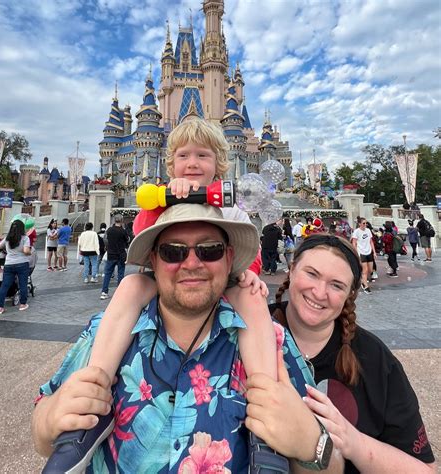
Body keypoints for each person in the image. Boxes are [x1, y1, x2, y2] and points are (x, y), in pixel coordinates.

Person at [41, 119, 283, 471]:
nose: (193, 163)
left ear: (220, 163)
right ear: (171, 164)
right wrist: (164, 202)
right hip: (163, 276)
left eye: (202, 155)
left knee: (253, 298)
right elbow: (142, 234)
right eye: (184, 155)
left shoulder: (230, 206)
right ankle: (95, 395)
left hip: (222, 280)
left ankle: (267, 421)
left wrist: (248, 273)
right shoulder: (163, 196)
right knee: (131, 285)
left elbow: (250, 250)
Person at [33, 204, 343, 473]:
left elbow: (334, 465)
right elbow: (42, 437)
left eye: (210, 250)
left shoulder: (271, 342)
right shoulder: (104, 333)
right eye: (173, 251)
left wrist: (312, 445)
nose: (192, 263)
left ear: (229, 258)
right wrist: (49, 420)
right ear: (154, 261)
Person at [269, 233, 436, 473]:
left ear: (350, 293)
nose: (319, 292)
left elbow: (424, 469)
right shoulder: (247, 331)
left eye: (336, 285)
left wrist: (352, 441)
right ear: (292, 270)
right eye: (312, 274)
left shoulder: (375, 359)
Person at [0, 219, 31, 315]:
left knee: (4, 285)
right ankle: (22, 304)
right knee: (23, 284)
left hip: (9, 264)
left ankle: (0, 307)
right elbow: (26, 251)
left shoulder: (7, 238)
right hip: (22, 263)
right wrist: (29, 252)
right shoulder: (25, 238)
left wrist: (8, 249)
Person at [100, 214, 129, 299]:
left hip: (111, 254)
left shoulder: (109, 230)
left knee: (108, 274)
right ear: (122, 220)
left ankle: (104, 292)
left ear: (114, 220)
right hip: (121, 254)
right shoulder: (123, 231)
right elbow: (127, 240)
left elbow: (105, 239)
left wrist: (108, 247)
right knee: (120, 274)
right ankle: (119, 292)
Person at [350, 218, 375, 293]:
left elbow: (371, 241)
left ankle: (363, 279)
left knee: (370, 270)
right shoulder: (356, 232)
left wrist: (374, 252)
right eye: (363, 223)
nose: (365, 225)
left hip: (369, 251)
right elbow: (354, 243)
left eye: (366, 223)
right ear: (359, 224)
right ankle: (365, 285)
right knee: (365, 270)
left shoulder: (368, 230)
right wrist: (356, 253)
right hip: (361, 252)